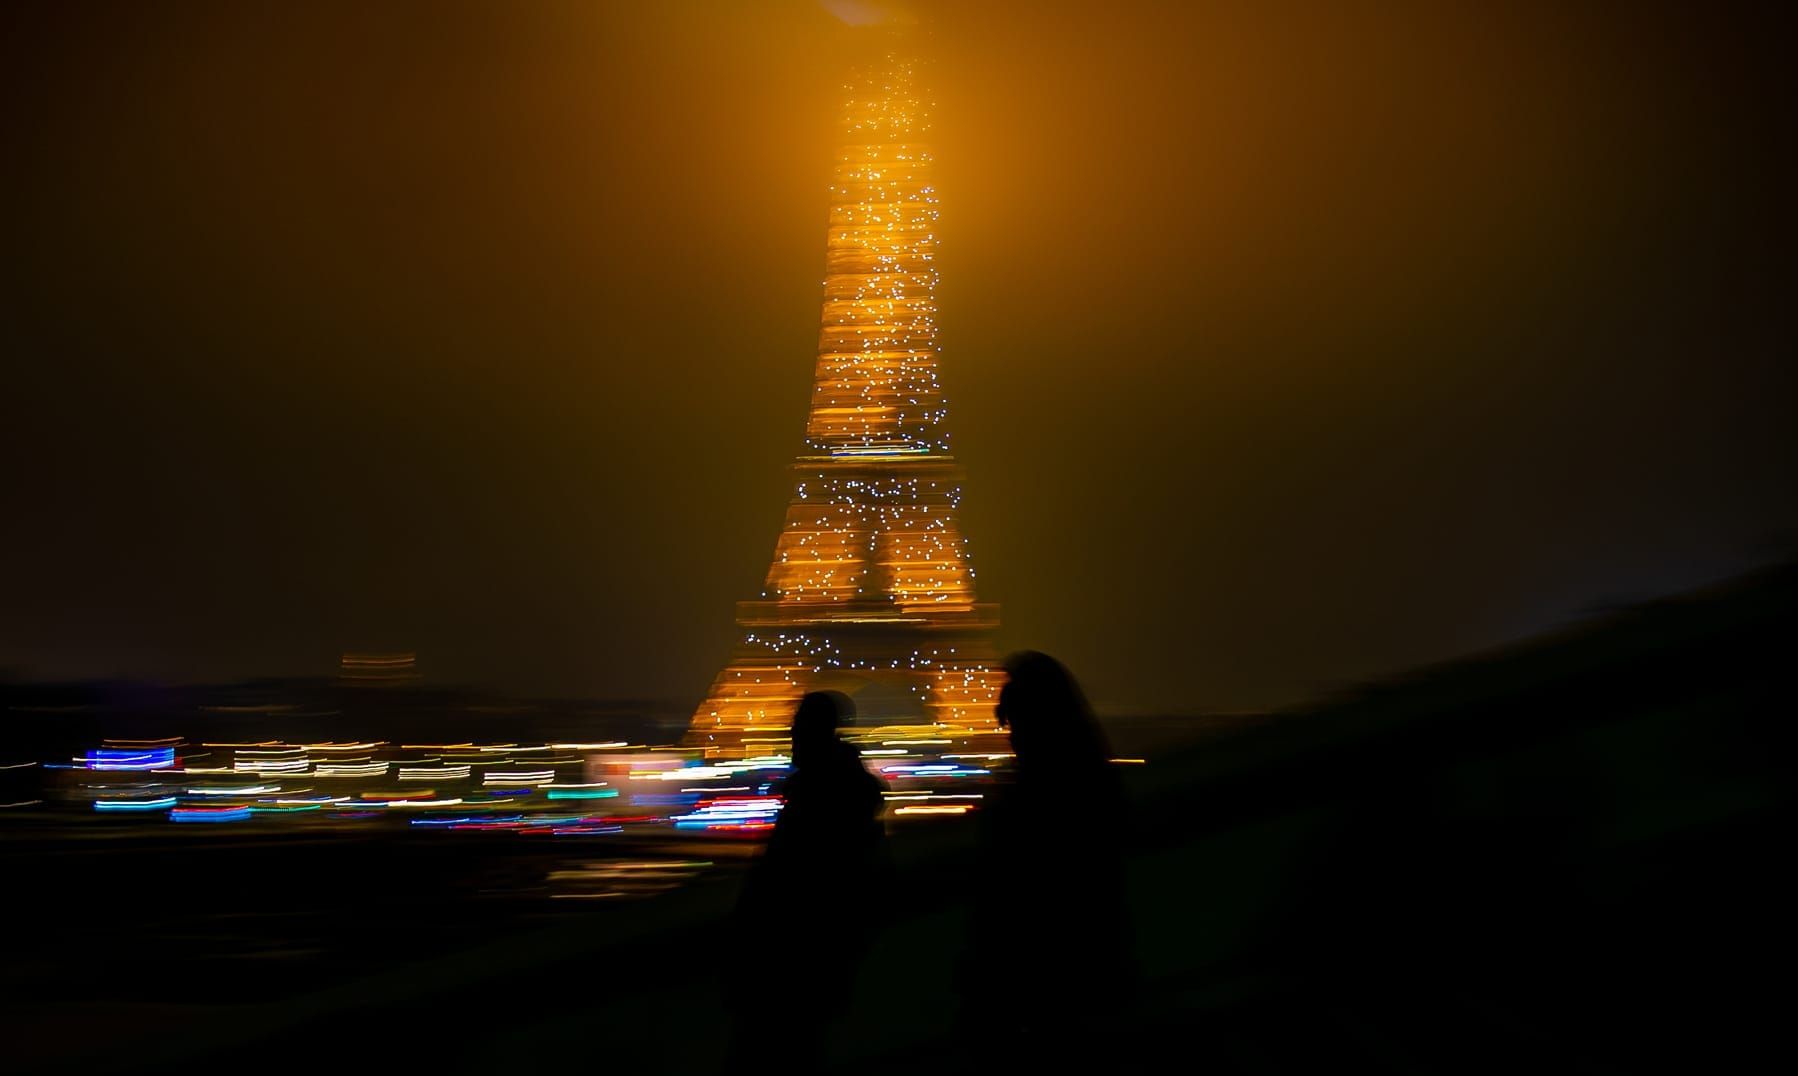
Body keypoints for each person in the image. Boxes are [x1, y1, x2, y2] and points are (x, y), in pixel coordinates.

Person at [958, 651, 1134, 1065]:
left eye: (1016, 724)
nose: (1012, 737)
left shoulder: (1027, 801)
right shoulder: (1095, 786)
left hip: (1039, 983)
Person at [725, 690, 889, 1073]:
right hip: (809, 977)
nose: (792, 734)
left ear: (818, 732)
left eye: (799, 726)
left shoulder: (813, 806)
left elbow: (781, 889)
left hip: (788, 978)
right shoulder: (846, 801)